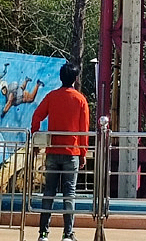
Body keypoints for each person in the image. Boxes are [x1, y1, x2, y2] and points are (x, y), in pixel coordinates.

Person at [31, 62, 90, 240]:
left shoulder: (52, 96)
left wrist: (36, 137)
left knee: (49, 191)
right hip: (72, 152)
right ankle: (68, 233)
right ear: (75, 79)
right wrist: (83, 152)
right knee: (69, 193)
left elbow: (37, 116)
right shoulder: (80, 100)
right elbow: (84, 129)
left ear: (60, 77)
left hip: (52, 151)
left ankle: (43, 233)